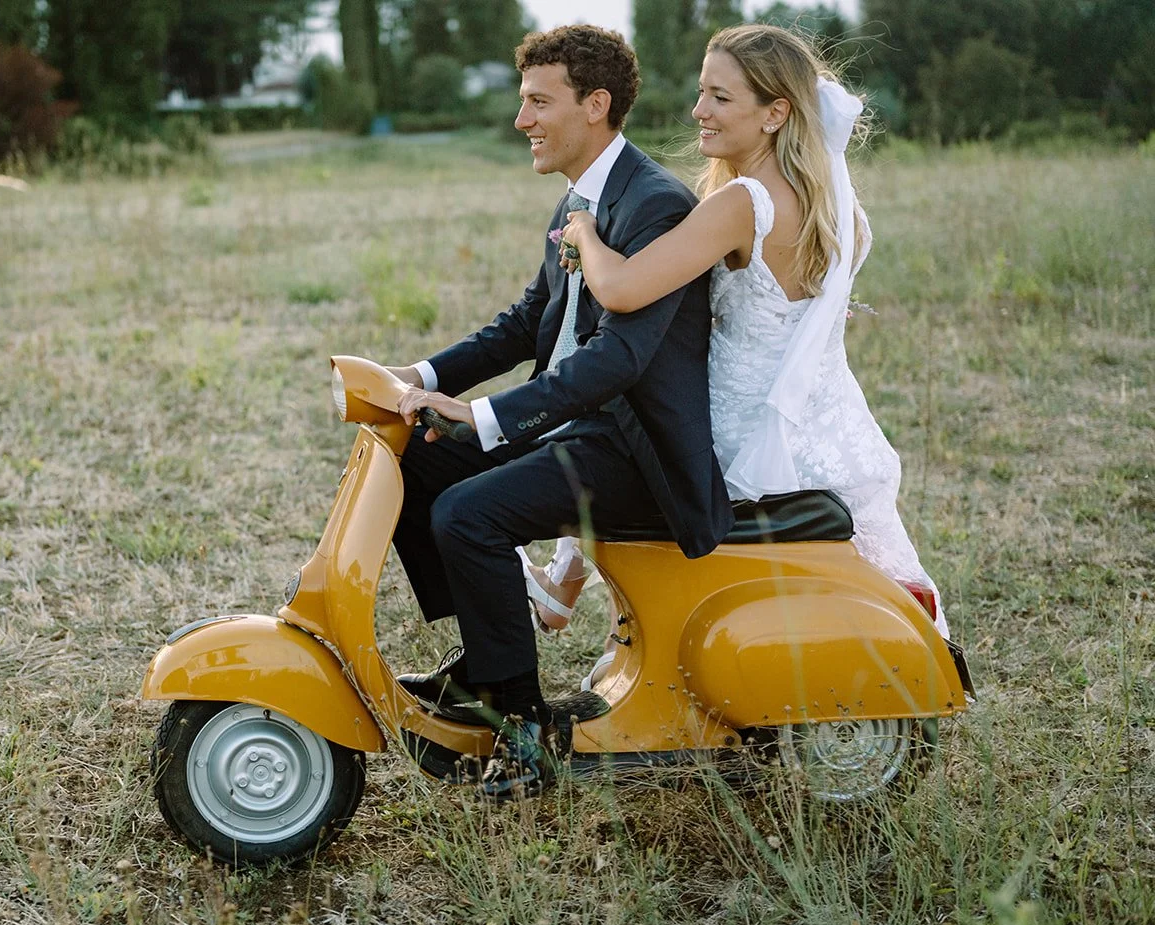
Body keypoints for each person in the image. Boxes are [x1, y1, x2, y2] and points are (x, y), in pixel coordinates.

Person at [522, 23, 950, 674]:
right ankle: (591, 605)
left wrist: (586, 231)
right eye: (702, 92)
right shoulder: (837, 205)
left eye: (720, 98)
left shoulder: (744, 203)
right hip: (826, 421)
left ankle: (583, 601)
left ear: (775, 113)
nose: (699, 110)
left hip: (741, 423)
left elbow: (625, 290)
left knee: (621, 423)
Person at [384, 24, 732, 799]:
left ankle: (524, 730)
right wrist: (421, 374)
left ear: (595, 105)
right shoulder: (580, 196)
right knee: (414, 458)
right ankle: (486, 665)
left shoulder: (655, 205)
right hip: (576, 423)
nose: (522, 120)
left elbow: (617, 362)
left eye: (539, 102)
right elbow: (527, 322)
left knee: (468, 513)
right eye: (524, 102)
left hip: (632, 447)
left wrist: (482, 416)